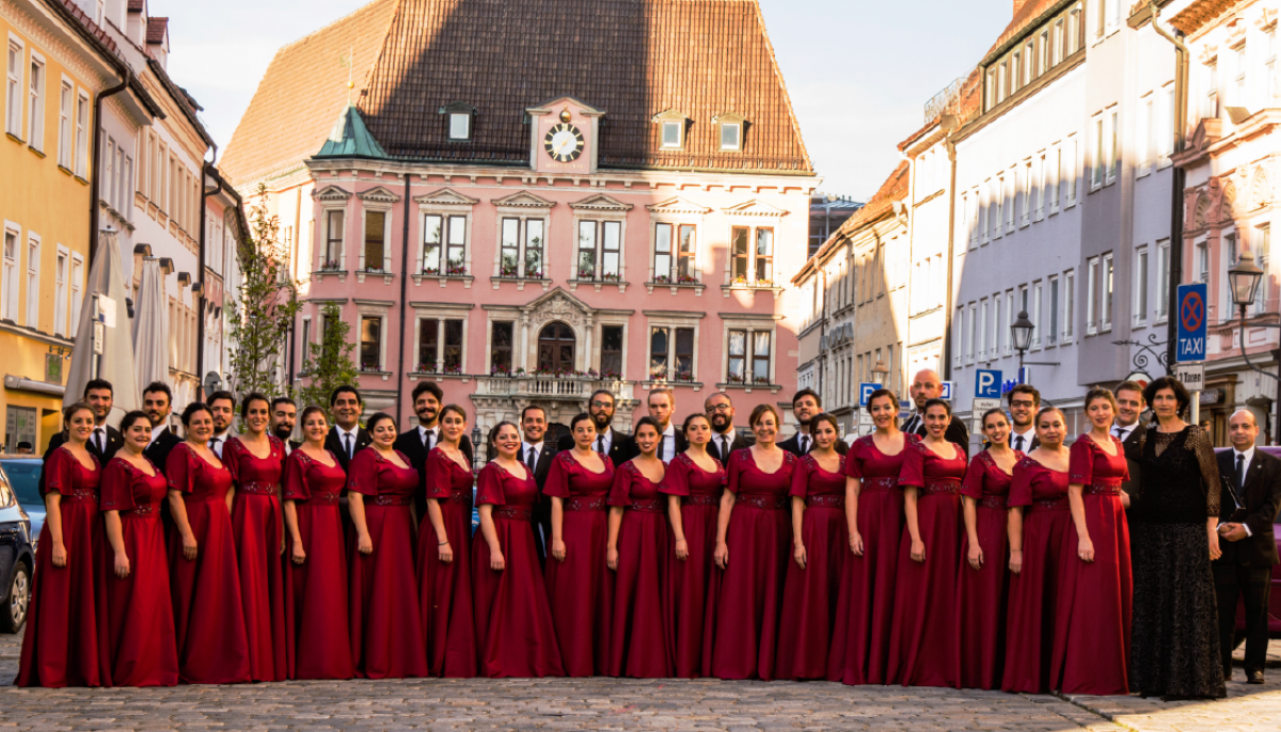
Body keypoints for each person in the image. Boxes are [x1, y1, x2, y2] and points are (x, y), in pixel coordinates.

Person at [1129, 377, 1224, 699]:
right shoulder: (1146, 437)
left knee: (1186, 603)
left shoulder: (1195, 435)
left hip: (1188, 530)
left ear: (1180, 402)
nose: (1164, 402)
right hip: (1152, 530)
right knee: (1155, 602)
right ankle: (1154, 679)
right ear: (1151, 402)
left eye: (1170, 397)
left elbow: (1212, 483)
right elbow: (1141, 485)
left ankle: (1188, 681)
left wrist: (1211, 529)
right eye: (1158, 397)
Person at [16, 402, 106, 687]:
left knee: (83, 596)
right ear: (67, 424)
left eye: (89, 420)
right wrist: (57, 543)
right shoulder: (60, 455)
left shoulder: (94, 457)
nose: (84, 425)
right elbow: (52, 502)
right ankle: (53, 666)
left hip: (91, 531)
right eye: (78, 420)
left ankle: (81, 665)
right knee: (60, 597)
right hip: (68, 528)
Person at [706, 404, 797, 680]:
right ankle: (739, 659)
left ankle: (770, 660)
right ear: (752, 427)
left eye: (769, 423)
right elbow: (728, 499)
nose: (765, 428)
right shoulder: (739, 457)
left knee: (774, 590)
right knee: (741, 592)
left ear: (777, 426)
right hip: (744, 528)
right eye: (759, 423)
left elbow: (797, 503)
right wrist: (721, 541)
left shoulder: (792, 460)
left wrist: (799, 540)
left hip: (778, 530)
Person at [827, 388, 909, 686]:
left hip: (904, 517)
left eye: (887, 407)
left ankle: (896, 662)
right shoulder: (860, 445)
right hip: (870, 518)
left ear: (897, 410)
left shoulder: (913, 443)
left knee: (899, 586)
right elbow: (850, 489)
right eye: (876, 409)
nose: (882, 413)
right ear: (869, 413)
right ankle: (864, 660)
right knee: (866, 586)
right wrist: (853, 532)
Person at [165, 402, 251, 685]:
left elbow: (227, 488)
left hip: (218, 527)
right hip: (196, 525)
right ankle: (192, 659)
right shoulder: (181, 451)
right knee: (193, 591)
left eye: (207, 421)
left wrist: (224, 522)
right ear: (186, 426)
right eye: (197, 422)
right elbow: (175, 494)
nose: (204, 425)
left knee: (216, 592)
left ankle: (217, 655)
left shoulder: (213, 452)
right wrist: (187, 534)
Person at [1055, 387, 1132, 696]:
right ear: (1087, 413)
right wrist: (1083, 536)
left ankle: (1112, 671)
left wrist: (1123, 498)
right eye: (1095, 408)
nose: (1101, 412)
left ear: (1113, 410)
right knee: (1092, 596)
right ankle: (1085, 673)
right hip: (1093, 521)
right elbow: (1075, 491)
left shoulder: (1116, 443)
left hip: (1115, 521)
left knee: (1113, 594)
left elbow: (1119, 485)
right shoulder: (1083, 445)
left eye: (1105, 407)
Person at [472, 422, 565, 678]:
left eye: (513, 436)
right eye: (503, 437)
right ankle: (502, 656)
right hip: (501, 535)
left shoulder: (524, 468)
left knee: (523, 598)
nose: (510, 440)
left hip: (524, 537)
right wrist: (495, 549)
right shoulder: (492, 470)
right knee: (502, 598)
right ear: (493, 442)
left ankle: (526, 655)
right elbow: (484, 511)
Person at [887, 398, 966, 687]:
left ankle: (947, 662)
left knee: (948, 593)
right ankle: (918, 664)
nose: (936, 422)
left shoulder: (958, 449)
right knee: (920, 593)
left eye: (941, 417)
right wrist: (916, 537)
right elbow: (909, 495)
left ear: (949, 419)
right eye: (931, 417)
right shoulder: (916, 450)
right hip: (927, 522)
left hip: (954, 524)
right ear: (923, 418)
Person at [345, 412, 428, 679]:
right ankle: (378, 655)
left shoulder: (403, 457)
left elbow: (411, 499)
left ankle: (402, 655)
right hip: (377, 526)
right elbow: (355, 496)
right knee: (379, 590)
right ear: (370, 433)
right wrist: (363, 534)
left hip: (402, 528)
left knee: (400, 591)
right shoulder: (365, 458)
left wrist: (415, 530)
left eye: (391, 428)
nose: (387, 433)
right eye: (380, 430)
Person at [98, 410, 178, 687]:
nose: (143, 434)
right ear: (124, 432)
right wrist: (120, 552)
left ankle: (153, 664)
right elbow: (111, 512)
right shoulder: (117, 466)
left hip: (154, 535)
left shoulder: (146, 461)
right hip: (131, 536)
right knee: (134, 602)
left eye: (146, 430)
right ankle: (131, 666)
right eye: (137, 430)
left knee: (153, 601)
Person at [1002, 407, 1072, 693]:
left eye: (1056, 424)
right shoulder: (1026, 465)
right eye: (1045, 426)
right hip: (1039, 536)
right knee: (1037, 602)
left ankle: (1065, 672)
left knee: (1066, 600)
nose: (1052, 430)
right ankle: (1034, 673)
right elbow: (1016, 511)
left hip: (1071, 534)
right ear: (1037, 430)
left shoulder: (1078, 458)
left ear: (1065, 427)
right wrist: (1016, 551)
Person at [281, 406, 354, 681]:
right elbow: (289, 500)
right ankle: (313, 661)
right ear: (303, 427)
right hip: (309, 522)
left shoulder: (332, 455)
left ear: (327, 426)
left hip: (332, 524)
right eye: (310, 423)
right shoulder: (297, 458)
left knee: (332, 591)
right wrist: (297, 541)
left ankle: (332, 657)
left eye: (320, 422)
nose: (316, 427)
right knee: (314, 589)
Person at [775, 413, 847, 680]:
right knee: (813, 593)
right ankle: (808, 661)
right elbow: (796, 503)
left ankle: (835, 660)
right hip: (814, 528)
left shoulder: (846, 462)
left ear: (836, 433)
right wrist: (798, 542)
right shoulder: (804, 463)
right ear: (813, 435)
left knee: (836, 591)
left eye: (829, 431)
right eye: (819, 432)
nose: (824, 436)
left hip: (840, 530)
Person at [544, 412, 616, 677]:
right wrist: (558, 538)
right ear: (572, 433)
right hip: (572, 530)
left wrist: (613, 542)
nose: (586, 434)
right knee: (573, 593)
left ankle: (598, 658)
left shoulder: (607, 461)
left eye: (590, 429)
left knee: (598, 590)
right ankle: (571, 657)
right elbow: (556, 501)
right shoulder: (563, 459)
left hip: (600, 530)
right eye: (580, 430)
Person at [222, 393, 287, 682]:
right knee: (249, 581)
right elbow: (229, 488)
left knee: (270, 582)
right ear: (244, 415)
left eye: (263, 412)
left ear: (270, 415)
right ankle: (249, 656)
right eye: (253, 412)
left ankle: (269, 656)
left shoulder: (278, 446)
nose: (258, 416)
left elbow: (283, 488)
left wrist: (284, 527)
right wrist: (225, 526)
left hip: (273, 514)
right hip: (246, 514)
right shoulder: (233, 446)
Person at [954, 408, 1020, 690]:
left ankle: (1010, 668)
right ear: (984, 432)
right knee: (987, 600)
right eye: (991, 427)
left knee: (1013, 599)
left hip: (1018, 531)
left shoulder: (1024, 460)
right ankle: (983, 670)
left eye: (1001, 425)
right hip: (989, 530)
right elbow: (968, 501)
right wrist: (973, 542)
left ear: (1010, 426)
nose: (997, 430)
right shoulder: (979, 462)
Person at [1215, 409, 1281, 685]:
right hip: (1223, 549)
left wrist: (1246, 529)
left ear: (1256, 430)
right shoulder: (1217, 462)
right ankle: (1221, 668)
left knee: (1257, 612)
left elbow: (1273, 505)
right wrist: (1220, 526)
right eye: (1234, 427)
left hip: (1257, 549)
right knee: (1223, 612)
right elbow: (1208, 501)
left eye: (1245, 426)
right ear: (1229, 431)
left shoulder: (1273, 464)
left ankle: (1255, 668)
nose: (1239, 431)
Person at [660, 412, 725, 678]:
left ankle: (708, 656)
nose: (700, 432)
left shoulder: (719, 463)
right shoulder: (679, 462)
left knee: (711, 590)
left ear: (710, 432)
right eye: (694, 428)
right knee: (689, 590)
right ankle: (686, 659)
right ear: (685, 433)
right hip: (690, 525)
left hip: (714, 527)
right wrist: (680, 537)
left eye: (704, 428)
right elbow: (673, 502)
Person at [606, 416, 672, 678]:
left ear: (659, 438)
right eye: (641, 435)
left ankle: (654, 657)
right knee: (632, 591)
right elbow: (616, 509)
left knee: (655, 592)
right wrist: (612, 546)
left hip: (659, 532)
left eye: (650, 435)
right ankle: (627, 659)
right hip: (632, 532)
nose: (646, 440)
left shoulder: (668, 467)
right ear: (636, 438)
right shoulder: (626, 468)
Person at [416, 404, 478, 678]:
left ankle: (456, 652)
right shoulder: (437, 455)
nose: (453, 425)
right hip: (443, 524)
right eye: (448, 421)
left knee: (457, 587)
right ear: (440, 425)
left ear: (465, 426)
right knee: (441, 589)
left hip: (461, 522)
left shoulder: (463, 454)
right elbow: (432, 498)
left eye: (458, 421)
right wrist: (442, 540)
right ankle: (437, 654)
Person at [39, 379, 122, 492]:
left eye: (105, 398)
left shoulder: (120, 439)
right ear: (84, 400)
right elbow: (47, 483)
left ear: (111, 402)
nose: (100, 403)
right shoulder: (61, 439)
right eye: (94, 397)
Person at [395, 381, 476, 489]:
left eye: (431, 401)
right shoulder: (401, 442)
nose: (426, 406)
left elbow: (467, 484)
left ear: (440, 407)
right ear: (414, 407)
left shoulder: (461, 441)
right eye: (421, 402)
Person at [556, 389, 637, 465]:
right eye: (597, 404)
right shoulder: (567, 442)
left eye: (607, 405)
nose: (602, 408)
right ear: (589, 409)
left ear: (614, 411)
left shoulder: (627, 443)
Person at [901, 370, 970, 457]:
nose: (921, 391)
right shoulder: (906, 426)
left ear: (940, 390)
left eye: (928, 386)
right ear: (911, 391)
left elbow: (961, 462)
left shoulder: (950, 424)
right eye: (917, 386)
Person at [518, 405, 555, 560]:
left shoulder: (556, 458)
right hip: (516, 526)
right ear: (521, 424)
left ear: (545, 425)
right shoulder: (510, 454)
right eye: (529, 420)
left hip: (546, 529)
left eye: (539, 421)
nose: (534, 425)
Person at [779, 389, 848, 456]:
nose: (804, 407)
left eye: (809, 404)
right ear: (794, 413)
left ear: (820, 411)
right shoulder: (781, 449)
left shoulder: (840, 447)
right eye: (799, 405)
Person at [1113, 381, 1148, 503]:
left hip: (1133, 518)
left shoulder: (1151, 441)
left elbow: (1159, 490)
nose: (1127, 407)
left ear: (1143, 406)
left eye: (1133, 403)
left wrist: (1132, 502)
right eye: (1122, 401)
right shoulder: (1097, 436)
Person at [325, 386, 371, 472]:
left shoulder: (372, 442)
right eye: (340, 402)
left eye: (352, 402)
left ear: (360, 409)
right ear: (332, 409)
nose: (346, 407)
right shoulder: (322, 442)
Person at [142, 382, 182, 476]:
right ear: (142, 407)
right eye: (149, 403)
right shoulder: (129, 439)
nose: (153, 407)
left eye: (160, 403)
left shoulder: (177, 446)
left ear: (169, 409)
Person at [704, 392, 750, 464]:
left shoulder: (750, 448)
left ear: (732, 411)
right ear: (706, 415)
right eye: (711, 409)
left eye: (722, 406)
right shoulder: (695, 448)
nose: (717, 412)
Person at [647, 387, 687, 462]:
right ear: (648, 409)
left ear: (673, 409)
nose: (659, 410)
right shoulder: (635, 442)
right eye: (654, 406)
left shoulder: (685, 440)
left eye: (663, 406)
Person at [1006, 384, 1040, 453]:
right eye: (1016, 403)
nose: (1021, 408)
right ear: (1009, 408)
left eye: (1027, 404)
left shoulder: (1046, 444)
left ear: (1036, 408)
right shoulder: (995, 444)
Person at [206, 391, 237, 460]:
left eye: (226, 410)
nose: (220, 414)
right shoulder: (192, 446)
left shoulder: (236, 450)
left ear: (232, 416)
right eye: (216, 409)